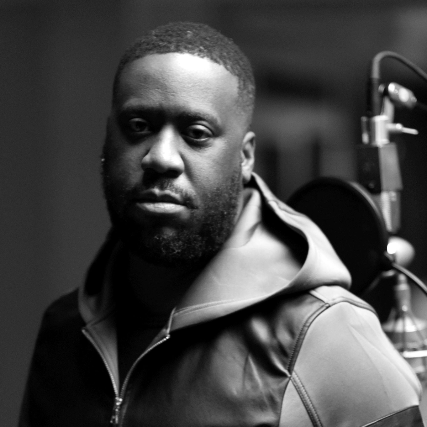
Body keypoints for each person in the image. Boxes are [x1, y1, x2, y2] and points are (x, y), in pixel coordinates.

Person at [20, 21, 424, 427]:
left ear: (245, 157)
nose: (161, 158)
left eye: (196, 133)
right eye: (139, 127)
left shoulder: (325, 335)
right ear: (108, 139)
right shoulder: (63, 330)